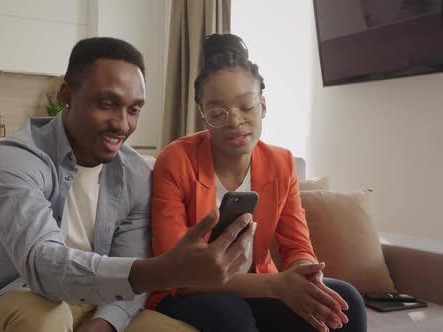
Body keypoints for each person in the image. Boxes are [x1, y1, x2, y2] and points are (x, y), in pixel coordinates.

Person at [0, 37, 252, 332]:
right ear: (66, 96)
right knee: (44, 319)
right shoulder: (16, 158)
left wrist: (104, 324)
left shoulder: (137, 172)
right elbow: (43, 266)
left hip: (98, 304)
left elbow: (128, 265)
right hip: (22, 296)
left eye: (134, 110)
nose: (121, 124)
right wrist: (166, 269)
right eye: (106, 104)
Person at [148, 34, 367, 332]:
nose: (234, 121)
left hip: (260, 286)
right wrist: (276, 286)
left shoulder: (281, 163)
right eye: (217, 112)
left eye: (246, 106)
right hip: (189, 290)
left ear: (262, 105)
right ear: (203, 116)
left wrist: (306, 276)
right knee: (231, 315)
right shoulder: (176, 160)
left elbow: (297, 246)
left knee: (346, 300)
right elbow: (175, 271)